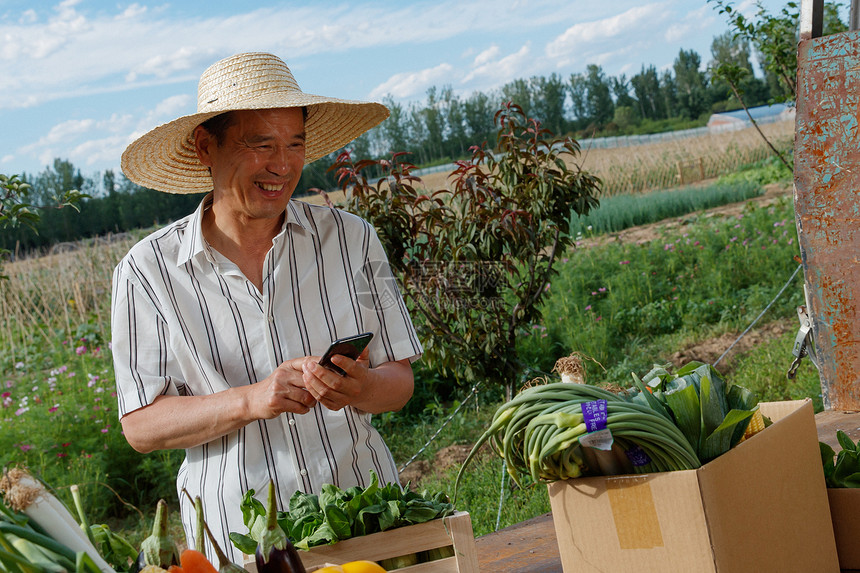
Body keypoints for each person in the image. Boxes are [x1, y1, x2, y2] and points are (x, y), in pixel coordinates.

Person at [111, 52, 422, 563]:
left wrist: (361, 387)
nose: (282, 165)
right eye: (261, 146)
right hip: (236, 541)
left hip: (365, 516)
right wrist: (254, 400)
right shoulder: (148, 272)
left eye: (295, 145)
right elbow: (141, 426)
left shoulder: (352, 240)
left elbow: (400, 382)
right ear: (205, 146)